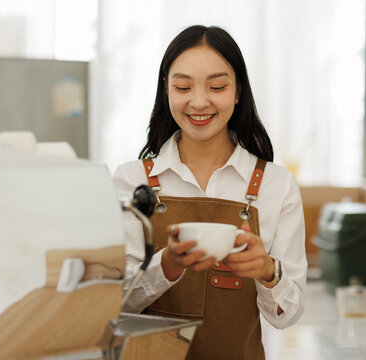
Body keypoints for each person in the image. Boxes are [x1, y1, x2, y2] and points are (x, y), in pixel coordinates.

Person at [113, 25, 307, 360]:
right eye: (183, 86)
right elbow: (113, 301)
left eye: (216, 86)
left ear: (237, 91)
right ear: (166, 91)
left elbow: (288, 316)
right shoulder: (131, 181)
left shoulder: (277, 185)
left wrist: (267, 270)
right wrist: (167, 265)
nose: (199, 101)